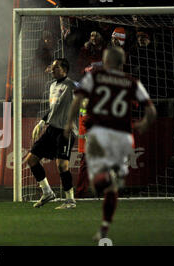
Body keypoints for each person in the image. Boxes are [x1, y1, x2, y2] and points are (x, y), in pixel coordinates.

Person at [64, 46, 157, 240]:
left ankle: (106, 179)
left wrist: (69, 122)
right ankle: (105, 226)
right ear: (122, 63)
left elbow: (77, 99)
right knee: (111, 187)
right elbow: (151, 110)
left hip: (101, 134)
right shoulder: (132, 82)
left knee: (99, 184)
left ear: (106, 61)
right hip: (124, 137)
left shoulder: (95, 76)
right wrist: (144, 124)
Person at [25, 58, 77, 209]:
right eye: (52, 68)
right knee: (31, 160)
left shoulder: (71, 85)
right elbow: (53, 109)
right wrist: (42, 122)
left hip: (65, 131)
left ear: (64, 70)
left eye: (56, 68)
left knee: (62, 165)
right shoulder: (52, 86)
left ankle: (70, 200)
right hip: (51, 129)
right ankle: (47, 192)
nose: (52, 70)